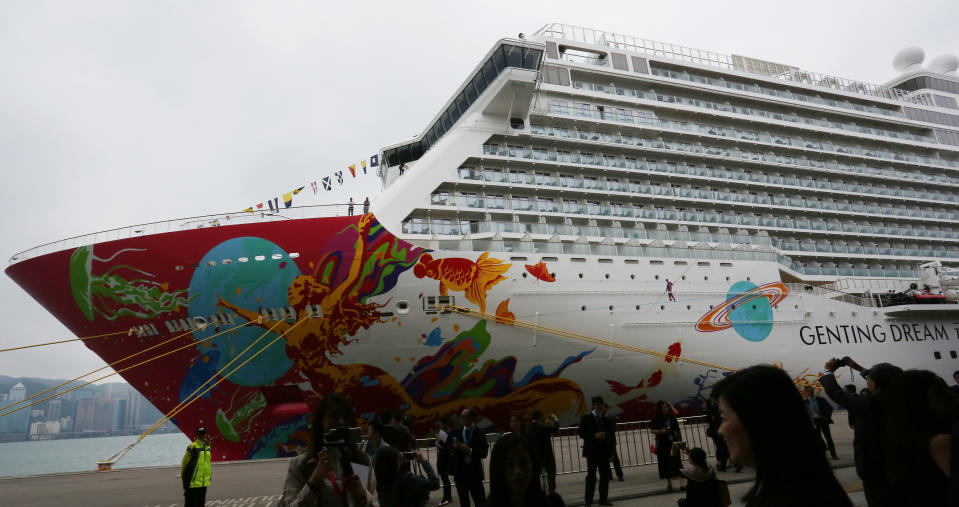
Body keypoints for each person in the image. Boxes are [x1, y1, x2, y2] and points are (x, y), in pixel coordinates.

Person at [715, 365, 852, 506]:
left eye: (724, 418)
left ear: (756, 420)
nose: (720, 430)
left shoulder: (789, 496)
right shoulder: (811, 484)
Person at [820, 356, 903, 507]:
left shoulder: (871, 404)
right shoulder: (906, 399)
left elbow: (836, 393)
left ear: (874, 383)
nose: (867, 380)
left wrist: (828, 371)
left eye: (869, 378)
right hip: (905, 469)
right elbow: (890, 381)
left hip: (877, 472)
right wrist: (858, 368)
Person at [278, 394, 374, 506]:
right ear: (320, 422)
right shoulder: (300, 465)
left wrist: (363, 496)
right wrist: (313, 482)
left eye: (345, 417)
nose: (341, 422)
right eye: (334, 416)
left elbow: (376, 502)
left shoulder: (362, 461)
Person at [884, 370, 959, 506]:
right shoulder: (940, 441)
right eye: (939, 392)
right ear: (919, 400)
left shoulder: (901, 438)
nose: (951, 396)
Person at [482, 432, 565, 507]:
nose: (517, 471)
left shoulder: (554, 503)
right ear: (497, 469)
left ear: (533, 464)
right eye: (509, 465)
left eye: (523, 463)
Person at [373, 446, 439, 507]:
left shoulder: (378, 481)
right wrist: (424, 461)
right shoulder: (407, 480)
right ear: (392, 462)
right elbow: (435, 483)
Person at [578, 396, 612, 506]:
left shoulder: (606, 418)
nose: (599, 407)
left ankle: (603, 499)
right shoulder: (586, 417)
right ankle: (588, 501)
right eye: (597, 405)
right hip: (592, 452)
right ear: (593, 406)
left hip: (604, 451)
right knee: (591, 477)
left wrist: (611, 452)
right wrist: (594, 435)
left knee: (605, 476)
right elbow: (581, 433)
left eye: (601, 405)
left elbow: (610, 435)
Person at [453, 408, 488, 507]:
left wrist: (470, 450)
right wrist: (453, 447)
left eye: (464, 416)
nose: (461, 418)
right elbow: (450, 448)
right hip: (460, 473)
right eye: (461, 416)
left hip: (474, 473)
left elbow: (484, 453)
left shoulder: (480, 433)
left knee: (479, 501)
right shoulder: (457, 432)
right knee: (464, 502)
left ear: (472, 418)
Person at [650, 400, 682, 491]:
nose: (666, 409)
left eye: (667, 407)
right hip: (662, 443)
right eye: (664, 407)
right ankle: (669, 483)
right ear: (660, 409)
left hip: (673, 441)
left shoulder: (671, 417)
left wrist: (681, 441)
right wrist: (660, 431)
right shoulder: (656, 418)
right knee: (665, 462)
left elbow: (678, 430)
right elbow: (652, 430)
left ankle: (682, 482)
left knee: (677, 461)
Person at [526, 410, 560, 492]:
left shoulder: (528, 427)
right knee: (551, 472)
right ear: (540, 417)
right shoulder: (542, 427)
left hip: (534, 454)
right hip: (546, 454)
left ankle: (536, 491)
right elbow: (554, 429)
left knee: (536, 474)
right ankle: (551, 492)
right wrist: (556, 419)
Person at [704, 397, 740, 473]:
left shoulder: (711, 410)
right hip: (721, 430)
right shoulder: (720, 409)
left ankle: (725, 465)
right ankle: (735, 464)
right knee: (725, 448)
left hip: (717, 432)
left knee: (722, 448)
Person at [803, 386, 838, 460]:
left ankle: (833, 454)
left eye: (811, 390)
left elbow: (830, 408)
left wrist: (827, 417)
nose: (810, 392)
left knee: (829, 438)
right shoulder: (805, 402)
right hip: (814, 422)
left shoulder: (821, 399)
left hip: (823, 421)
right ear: (806, 392)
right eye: (808, 391)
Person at [181, 426, 212, 507]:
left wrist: (208, 477)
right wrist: (184, 481)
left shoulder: (208, 446)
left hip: (203, 482)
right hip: (192, 483)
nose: (202, 436)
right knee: (190, 504)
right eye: (200, 434)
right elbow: (184, 464)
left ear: (206, 434)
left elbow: (207, 464)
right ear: (197, 435)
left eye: (203, 434)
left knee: (201, 504)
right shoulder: (192, 447)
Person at [435, 417, 454, 506]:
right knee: (444, 478)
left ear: (445, 424)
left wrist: (440, 441)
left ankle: (446, 498)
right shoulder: (444, 433)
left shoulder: (449, 434)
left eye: (441, 424)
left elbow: (448, 449)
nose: (440, 425)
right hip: (442, 458)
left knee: (445, 479)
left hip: (445, 459)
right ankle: (448, 497)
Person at [603, 403, 624, 481]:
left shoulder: (611, 417)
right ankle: (609, 475)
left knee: (615, 459)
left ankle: (619, 475)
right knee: (605, 459)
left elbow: (613, 429)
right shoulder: (599, 418)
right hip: (603, 442)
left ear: (606, 408)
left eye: (603, 408)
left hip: (610, 441)